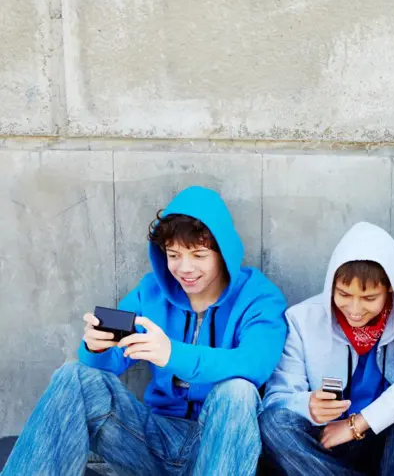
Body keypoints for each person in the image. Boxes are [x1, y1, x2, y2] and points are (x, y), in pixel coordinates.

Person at [1, 186, 288, 476]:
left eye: (199, 255)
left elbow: (254, 365)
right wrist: (97, 348)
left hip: (222, 446)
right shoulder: (151, 292)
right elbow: (112, 361)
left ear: (223, 254)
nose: (184, 268)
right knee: (73, 374)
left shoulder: (258, 297)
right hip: (154, 438)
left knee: (238, 391)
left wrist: (172, 354)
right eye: (173, 255)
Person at [259, 222, 394, 476]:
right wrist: (306, 405)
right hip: (325, 448)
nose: (354, 309)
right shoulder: (303, 320)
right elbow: (275, 401)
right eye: (343, 294)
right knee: (273, 424)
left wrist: (360, 423)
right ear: (331, 285)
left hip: (390, 445)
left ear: (390, 288)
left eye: (369, 298)